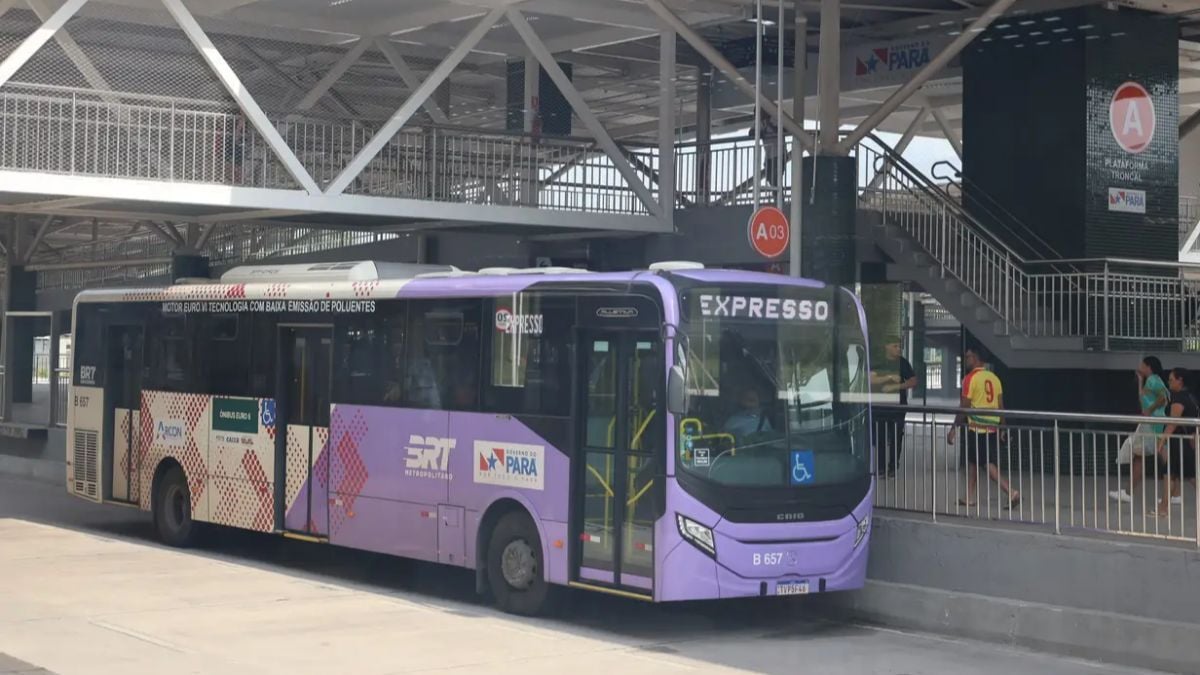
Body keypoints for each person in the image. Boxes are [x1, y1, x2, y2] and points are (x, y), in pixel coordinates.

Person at [946, 347, 1019, 508]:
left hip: (978, 428)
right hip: (991, 427)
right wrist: (1002, 428)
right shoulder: (994, 378)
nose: (966, 360)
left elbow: (964, 407)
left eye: (968, 357)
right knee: (973, 461)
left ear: (976, 358)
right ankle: (969, 497)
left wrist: (953, 428)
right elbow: (1000, 406)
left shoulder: (969, 379)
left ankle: (1011, 492)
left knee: (986, 463)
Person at [1110, 356, 1169, 503]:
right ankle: (1173, 493)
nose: (1140, 366)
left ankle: (1128, 492)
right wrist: (1140, 381)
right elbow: (1143, 398)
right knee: (1161, 455)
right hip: (1154, 421)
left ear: (1148, 366)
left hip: (1151, 422)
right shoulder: (1152, 380)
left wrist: (1150, 410)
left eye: (1142, 364)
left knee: (1140, 455)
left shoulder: (1153, 380)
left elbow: (1163, 397)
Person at [1151, 368, 1199, 517]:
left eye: (1171, 380)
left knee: (1189, 476)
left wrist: (1162, 440)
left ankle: (1163, 508)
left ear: (1180, 380)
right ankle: (1163, 508)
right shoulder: (1190, 396)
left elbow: (1173, 422)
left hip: (1180, 443)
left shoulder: (1179, 398)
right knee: (1171, 474)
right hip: (1183, 442)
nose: (1169, 382)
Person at [870, 337, 917, 477]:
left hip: (898, 408)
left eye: (899, 346)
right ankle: (881, 467)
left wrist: (896, 386)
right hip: (880, 406)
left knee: (897, 437)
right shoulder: (878, 361)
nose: (898, 349)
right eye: (895, 346)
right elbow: (871, 379)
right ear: (887, 346)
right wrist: (889, 377)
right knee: (880, 438)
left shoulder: (903, 363)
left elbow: (913, 381)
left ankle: (893, 466)